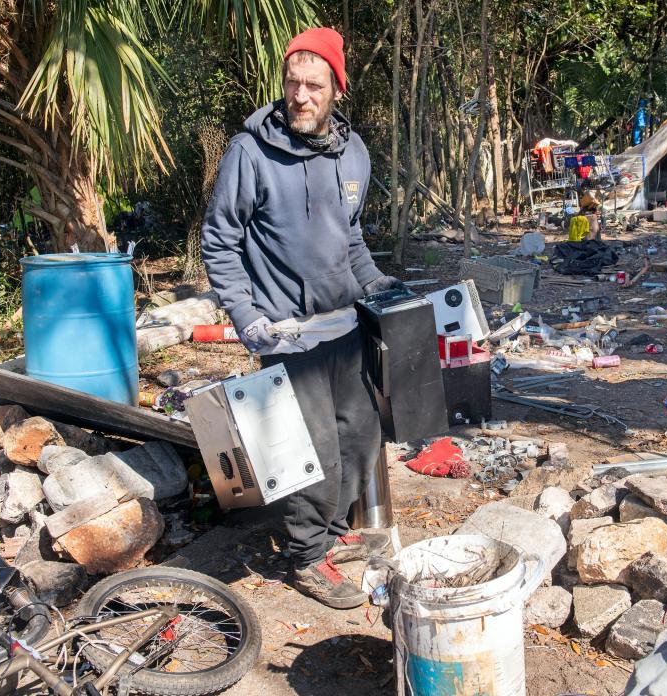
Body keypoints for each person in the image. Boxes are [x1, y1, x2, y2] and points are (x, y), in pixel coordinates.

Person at [201, 27, 402, 609]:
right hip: (285, 331)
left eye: (314, 85)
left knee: (361, 438)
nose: (301, 96)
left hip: (344, 327)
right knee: (310, 450)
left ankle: (334, 537)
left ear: (337, 88)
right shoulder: (250, 153)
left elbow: (352, 238)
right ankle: (307, 557)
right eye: (293, 83)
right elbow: (219, 242)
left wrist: (378, 287)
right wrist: (246, 314)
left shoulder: (354, 153)